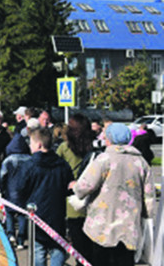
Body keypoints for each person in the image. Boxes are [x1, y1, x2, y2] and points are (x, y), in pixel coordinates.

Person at [72, 123, 155, 266]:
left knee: (100, 260)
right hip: (129, 227)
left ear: (109, 139)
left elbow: (84, 186)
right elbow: (149, 196)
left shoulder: (104, 159)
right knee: (125, 261)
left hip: (102, 225)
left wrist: (76, 188)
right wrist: (146, 215)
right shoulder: (141, 163)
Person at [17, 127, 74, 266]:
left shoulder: (29, 165)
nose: (29, 146)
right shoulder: (62, 164)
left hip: (37, 214)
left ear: (38, 145)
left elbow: (21, 188)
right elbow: (69, 187)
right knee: (57, 248)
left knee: (38, 250)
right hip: (57, 213)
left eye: (31, 143)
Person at [56, 113, 96, 265]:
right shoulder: (93, 147)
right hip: (92, 199)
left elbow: (57, 169)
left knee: (78, 247)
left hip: (72, 202)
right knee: (91, 246)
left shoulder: (64, 148)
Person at [0, 118, 35, 249]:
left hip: (10, 190)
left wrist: (2, 188)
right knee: (22, 215)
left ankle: (10, 235)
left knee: (9, 214)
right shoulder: (30, 160)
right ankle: (21, 240)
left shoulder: (8, 160)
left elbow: (2, 176)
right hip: (25, 192)